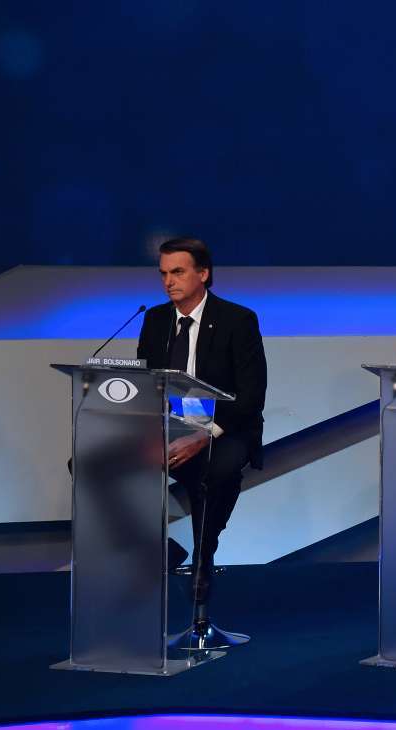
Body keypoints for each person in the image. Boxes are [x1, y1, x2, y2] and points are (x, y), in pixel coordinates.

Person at [137, 237, 267, 634]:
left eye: (177, 272)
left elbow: (251, 396)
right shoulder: (156, 320)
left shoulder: (237, 320)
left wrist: (201, 435)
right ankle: (156, 551)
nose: (168, 282)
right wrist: (154, 434)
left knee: (217, 471)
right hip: (168, 428)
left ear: (203, 274)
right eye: (163, 274)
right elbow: (147, 386)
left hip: (224, 428)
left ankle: (203, 558)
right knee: (92, 462)